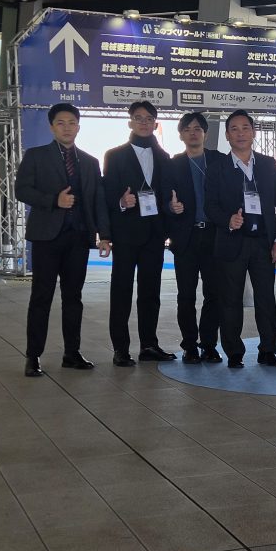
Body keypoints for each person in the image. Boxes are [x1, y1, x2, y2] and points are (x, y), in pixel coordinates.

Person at [15, 103, 110, 377]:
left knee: (73, 298)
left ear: (78, 127)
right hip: (46, 238)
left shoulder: (90, 162)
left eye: (72, 123)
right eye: (61, 123)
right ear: (51, 127)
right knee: (41, 297)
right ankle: (33, 356)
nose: (67, 128)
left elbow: (98, 201)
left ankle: (72, 353)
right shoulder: (36, 156)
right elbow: (22, 190)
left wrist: (104, 236)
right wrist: (53, 200)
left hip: (78, 238)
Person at [204, 110, 276, 368]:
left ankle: (268, 351)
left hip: (264, 243)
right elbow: (210, 206)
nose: (240, 133)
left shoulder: (268, 164)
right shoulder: (217, 168)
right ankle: (234, 352)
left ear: (253, 132)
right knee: (230, 299)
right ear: (227, 135)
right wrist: (227, 220)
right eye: (234, 129)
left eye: (245, 128)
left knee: (266, 298)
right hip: (232, 242)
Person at [101, 101, 176, 367]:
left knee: (151, 293)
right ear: (130, 122)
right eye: (139, 118)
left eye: (149, 119)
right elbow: (106, 194)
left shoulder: (165, 157)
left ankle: (149, 345)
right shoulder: (115, 155)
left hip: (154, 235)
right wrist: (121, 202)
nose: (144, 123)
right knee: (121, 291)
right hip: (125, 234)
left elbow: (167, 195)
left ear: (155, 124)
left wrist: (171, 212)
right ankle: (120, 349)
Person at [164, 112, 225, 364]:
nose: (193, 132)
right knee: (186, 295)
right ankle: (189, 345)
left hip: (214, 235)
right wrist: (171, 207)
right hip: (186, 238)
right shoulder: (172, 164)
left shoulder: (219, 160)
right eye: (187, 129)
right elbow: (163, 199)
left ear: (205, 134)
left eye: (198, 128)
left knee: (215, 294)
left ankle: (209, 345)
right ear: (181, 135)